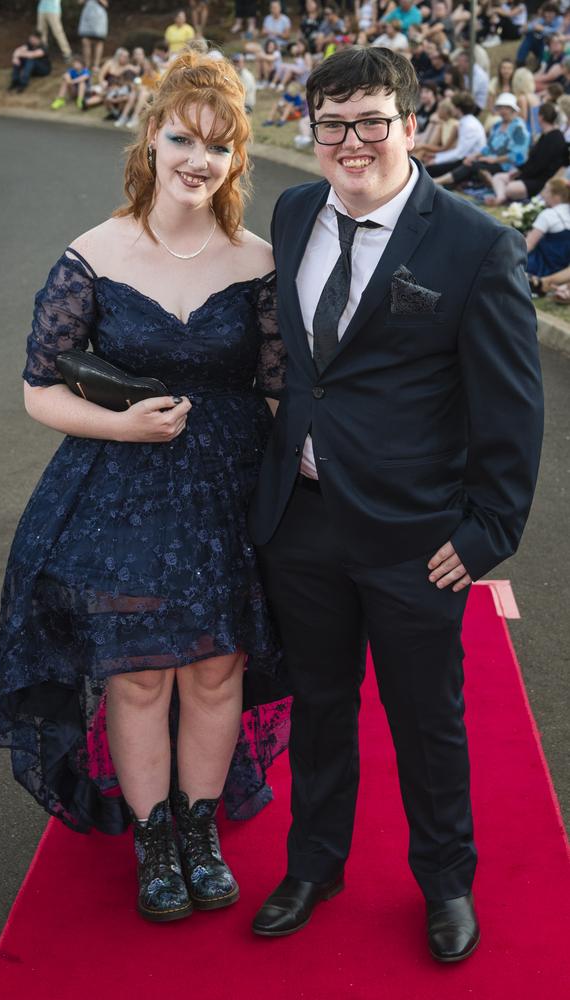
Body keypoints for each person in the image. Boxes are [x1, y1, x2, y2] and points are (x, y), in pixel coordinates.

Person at [248, 45, 544, 960]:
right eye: (331, 123)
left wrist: (489, 528)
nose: (350, 141)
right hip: (301, 521)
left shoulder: (474, 243)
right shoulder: (294, 211)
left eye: (371, 120)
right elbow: (302, 369)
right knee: (322, 703)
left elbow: (510, 404)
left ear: (410, 123)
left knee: (427, 718)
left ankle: (447, 881)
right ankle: (315, 863)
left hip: (417, 536)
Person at [0, 52, 290, 925]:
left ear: (237, 159)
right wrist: (123, 425)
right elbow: (38, 386)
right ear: (151, 139)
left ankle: (200, 829)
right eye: (182, 138)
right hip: (121, 488)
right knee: (139, 675)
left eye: (218, 145)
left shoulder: (259, 260)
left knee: (216, 666)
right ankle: (152, 835)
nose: (197, 158)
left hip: (226, 493)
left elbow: (279, 391)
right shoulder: (95, 252)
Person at [430, 91, 530, 188]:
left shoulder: (518, 128)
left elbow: (518, 154)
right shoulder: (497, 125)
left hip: (508, 165)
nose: (503, 111)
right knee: (470, 162)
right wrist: (474, 156)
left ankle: (439, 181)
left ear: (513, 110)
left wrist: (495, 160)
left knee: (472, 165)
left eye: (506, 108)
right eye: (500, 108)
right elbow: (488, 147)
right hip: (492, 161)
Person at [484, 101, 568, 203]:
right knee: (498, 177)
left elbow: (540, 166)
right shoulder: (545, 135)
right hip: (530, 175)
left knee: (511, 187)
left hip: (540, 180)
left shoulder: (555, 138)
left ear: (541, 117)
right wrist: (518, 171)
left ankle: (502, 194)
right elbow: (532, 161)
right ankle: (501, 197)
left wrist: (521, 175)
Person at [525, 176, 570, 275]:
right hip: (563, 271)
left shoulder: (549, 214)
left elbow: (528, 245)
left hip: (542, 267)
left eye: (546, 191)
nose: (543, 195)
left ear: (556, 196)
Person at [78, 0, 108, 72]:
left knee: (99, 42)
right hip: (87, 16)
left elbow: (106, 4)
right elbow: (79, 2)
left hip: (99, 17)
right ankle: (87, 66)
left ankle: (96, 65)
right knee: (85, 41)